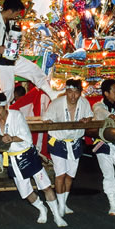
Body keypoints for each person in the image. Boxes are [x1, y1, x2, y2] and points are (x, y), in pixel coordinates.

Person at [0, 92, 67, 227]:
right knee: (26, 193)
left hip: (28, 154)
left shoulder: (16, 115)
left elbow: (26, 137)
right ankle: (42, 208)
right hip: (13, 158)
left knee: (45, 186)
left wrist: (11, 138)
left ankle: (57, 216)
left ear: (5, 106)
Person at [0, 0, 59, 104]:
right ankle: (2, 114)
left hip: (11, 58)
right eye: (17, 13)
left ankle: (52, 94)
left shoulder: (10, 22)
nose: (17, 15)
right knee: (8, 91)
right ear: (10, 11)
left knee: (34, 70)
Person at [43, 78, 93, 216]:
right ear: (66, 92)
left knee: (70, 176)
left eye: (76, 92)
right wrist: (49, 121)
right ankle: (59, 207)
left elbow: (89, 115)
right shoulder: (56, 103)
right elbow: (46, 118)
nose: (73, 96)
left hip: (75, 141)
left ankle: (63, 204)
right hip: (58, 140)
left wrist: (86, 120)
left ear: (80, 93)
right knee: (61, 174)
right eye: (70, 92)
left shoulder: (84, 103)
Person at [91, 79, 115, 215]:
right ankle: (112, 203)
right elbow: (100, 112)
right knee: (108, 174)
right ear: (106, 93)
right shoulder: (98, 105)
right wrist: (112, 116)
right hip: (103, 146)